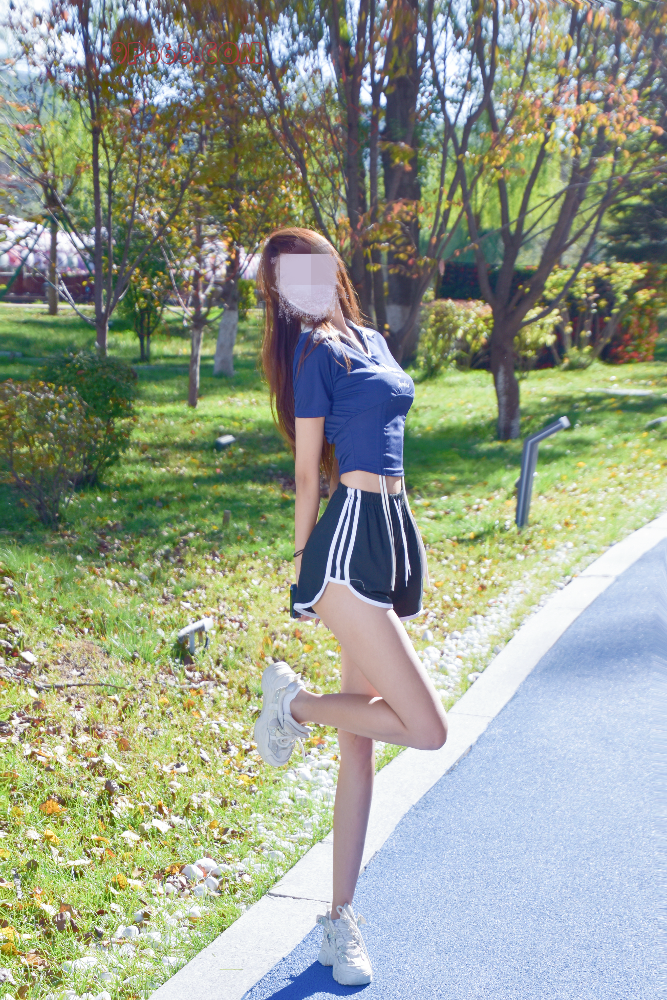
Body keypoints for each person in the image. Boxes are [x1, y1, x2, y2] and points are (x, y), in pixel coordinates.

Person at [254, 227, 448, 986]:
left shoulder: (372, 339)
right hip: (344, 543)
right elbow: (308, 474)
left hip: (392, 534)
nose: (297, 285)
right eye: (281, 281)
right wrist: (303, 572)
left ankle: (338, 922)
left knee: (359, 746)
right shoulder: (311, 354)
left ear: (330, 265)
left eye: (305, 267)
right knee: (427, 729)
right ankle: (294, 705)